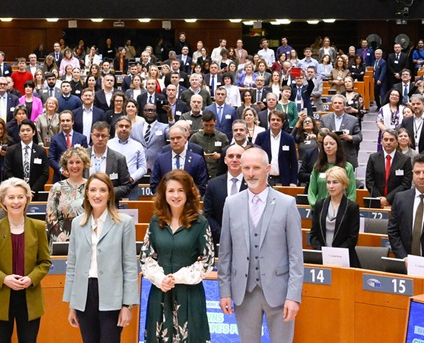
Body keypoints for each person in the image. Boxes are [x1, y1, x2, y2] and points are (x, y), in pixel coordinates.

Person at [216, 147, 303, 343]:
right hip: (244, 293)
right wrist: (225, 292)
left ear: (268, 169)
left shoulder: (287, 204)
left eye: (256, 167)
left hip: (280, 293)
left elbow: (296, 256)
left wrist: (293, 296)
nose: (251, 173)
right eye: (246, 168)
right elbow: (225, 254)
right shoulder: (231, 203)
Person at [140, 170, 214, 343]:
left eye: (180, 190)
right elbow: (145, 256)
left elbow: (208, 259)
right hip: (161, 291)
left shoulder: (200, 222)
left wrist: (179, 277)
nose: (176, 195)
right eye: (171, 191)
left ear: (189, 192)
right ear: (163, 194)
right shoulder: (155, 221)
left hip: (189, 292)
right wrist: (160, 278)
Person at [63, 173, 138, 342]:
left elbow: (130, 265)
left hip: (113, 295)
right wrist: (72, 305)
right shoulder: (77, 223)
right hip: (85, 295)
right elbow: (72, 264)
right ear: (87, 193)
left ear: (109, 194)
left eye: (102, 190)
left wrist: (127, 305)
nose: (97, 195)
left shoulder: (124, 223)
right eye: (93, 190)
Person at [0, 178, 51, 343]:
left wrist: (30, 278)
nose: (16, 201)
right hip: (0, 298)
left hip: (29, 299)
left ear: (27, 198)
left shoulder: (38, 227)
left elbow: (45, 262)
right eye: (11, 197)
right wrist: (4, 279)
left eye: (20, 197)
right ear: (3, 200)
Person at [308, 166, 361, 266]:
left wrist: (334, 255)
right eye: (328, 182)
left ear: (344, 185)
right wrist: (322, 252)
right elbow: (313, 234)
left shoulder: (352, 207)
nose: (331, 186)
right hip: (322, 258)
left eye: (335, 182)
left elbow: (352, 239)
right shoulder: (320, 205)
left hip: (345, 259)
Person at [46, 147, 89, 242]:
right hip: (61, 239)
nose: (74, 166)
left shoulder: (91, 186)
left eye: (78, 162)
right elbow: (50, 217)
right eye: (71, 162)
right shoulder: (57, 187)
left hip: (87, 238)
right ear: (65, 165)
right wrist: (61, 237)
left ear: (84, 164)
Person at [150, 124, 208, 193]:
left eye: (178, 138)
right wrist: (166, 197)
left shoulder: (197, 160)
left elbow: (201, 185)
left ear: (185, 138)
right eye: (172, 138)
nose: (175, 141)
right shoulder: (160, 160)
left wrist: (188, 198)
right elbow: (154, 184)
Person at [306, 132, 356, 207]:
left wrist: (345, 209)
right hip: (320, 210)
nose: (328, 146)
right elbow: (311, 192)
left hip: (341, 211)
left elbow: (351, 193)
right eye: (325, 144)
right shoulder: (317, 167)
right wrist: (316, 206)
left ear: (338, 145)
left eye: (331, 143)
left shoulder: (347, 167)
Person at [365, 130, 413, 208]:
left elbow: (406, 184)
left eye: (391, 140)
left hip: (397, 201)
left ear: (397, 141)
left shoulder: (405, 160)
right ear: (381, 141)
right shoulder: (373, 158)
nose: (388, 142)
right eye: (386, 139)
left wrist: (388, 199)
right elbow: (369, 181)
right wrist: (379, 199)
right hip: (376, 201)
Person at [254, 110, 300, 186]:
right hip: (264, 179)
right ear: (269, 121)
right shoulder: (261, 137)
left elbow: (294, 162)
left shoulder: (289, 139)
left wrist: (293, 181)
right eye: (273, 119)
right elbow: (255, 158)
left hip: (284, 180)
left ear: (282, 123)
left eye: (278, 120)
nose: (275, 122)